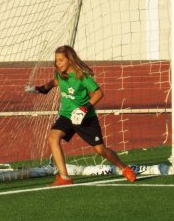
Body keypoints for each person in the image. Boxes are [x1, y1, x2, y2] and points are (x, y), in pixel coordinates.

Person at [25, 45, 136, 186]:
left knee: (100, 149)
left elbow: (99, 93)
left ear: (70, 60)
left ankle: (124, 168)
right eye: (56, 60)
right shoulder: (60, 74)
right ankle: (64, 178)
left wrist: (84, 109)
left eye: (61, 60)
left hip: (86, 118)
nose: (58, 63)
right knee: (53, 138)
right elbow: (54, 82)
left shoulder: (81, 76)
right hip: (66, 116)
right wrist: (41, 89)